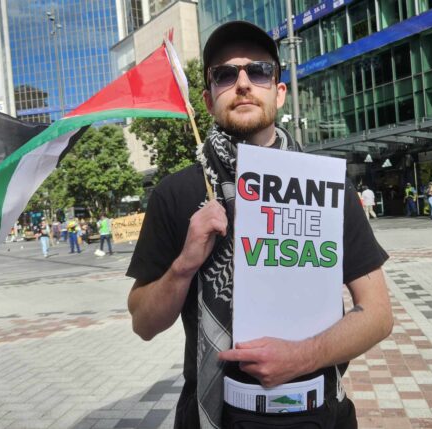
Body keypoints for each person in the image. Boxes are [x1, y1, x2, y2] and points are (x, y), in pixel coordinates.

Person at [126, 21, 392, 429]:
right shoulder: (176, 193)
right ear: (208, 97)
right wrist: (184, 264)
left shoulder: (327, 183)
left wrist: (302, 357)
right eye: (225, 74)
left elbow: (377, 315)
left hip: (318, 413)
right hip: (213, 414)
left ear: (279, 92)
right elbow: (143, 323)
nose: (244, 83)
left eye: (260, 71)